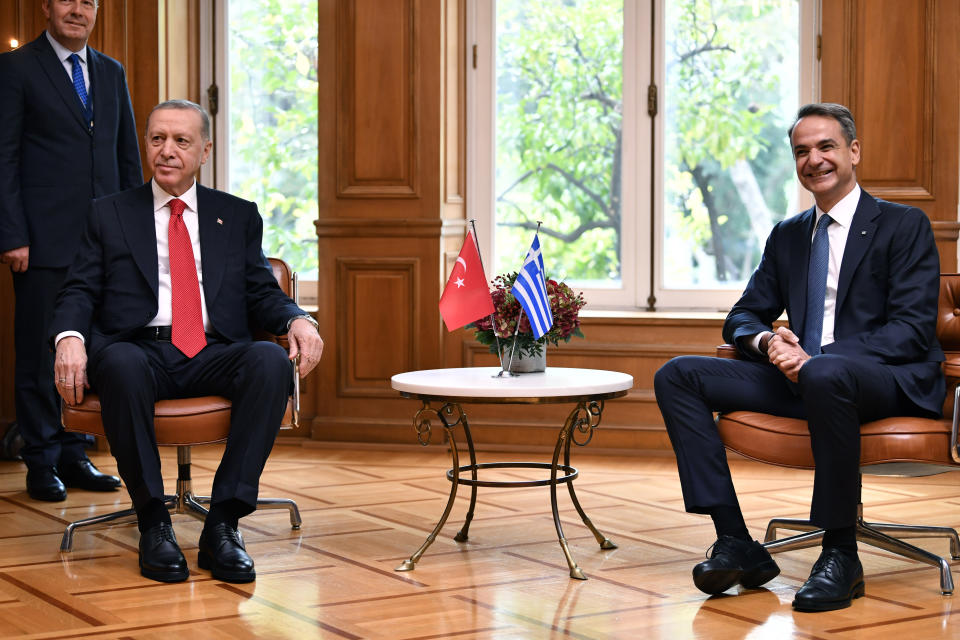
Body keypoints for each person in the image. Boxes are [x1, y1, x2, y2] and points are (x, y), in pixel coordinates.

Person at [654, 103, 943, 612]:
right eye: (802, 151)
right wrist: (769, 344)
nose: (815, 159)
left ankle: (840, 554)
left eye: (826, 146)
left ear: (853, 151)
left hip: (886, 379)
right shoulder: (789, 234)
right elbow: (744, 314)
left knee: (827, 372)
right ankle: (736, 541)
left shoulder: (902, 224)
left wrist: (815, 356)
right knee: (678, 375)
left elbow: (910, 331)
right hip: (806, 379)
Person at [49, 99, 324, 584]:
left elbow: (261, 291)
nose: (168, 150)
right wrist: (68, 338)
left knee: (267, 360)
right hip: (139, 348)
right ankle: (154, 521)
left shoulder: (236, 215)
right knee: (122, 365)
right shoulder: (108, 214)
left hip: (214, 349)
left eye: (181, 140)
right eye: (157, 139)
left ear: (205, 151)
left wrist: (298, 318)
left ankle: (223, 523)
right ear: (146, 146)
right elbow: (80, 289)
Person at [0, 0, 142, 501]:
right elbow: (4, 156)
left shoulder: (111, 72)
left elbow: (127, 157)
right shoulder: (16, 69)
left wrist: (133, 235)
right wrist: (11, 233)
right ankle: (41, 458)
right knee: (40, 350)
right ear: (46, 6)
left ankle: (75, 451)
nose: (77, 9)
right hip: (40, 242)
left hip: (103, 242)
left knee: (89, 349)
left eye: (88, 1)